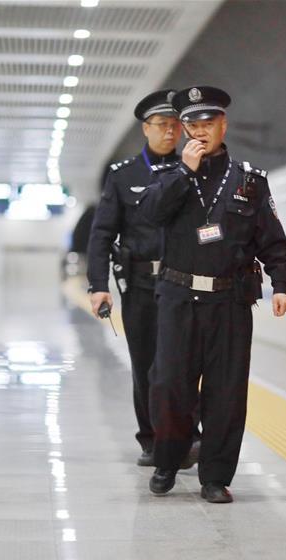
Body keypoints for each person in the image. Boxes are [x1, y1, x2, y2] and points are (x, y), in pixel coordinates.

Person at [140, 85, 286, 503]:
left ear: (223, 125)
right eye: (192, 123)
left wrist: (282, 283)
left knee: (226, 393)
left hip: (229, 302)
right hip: (177, 298)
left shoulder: (250, 181)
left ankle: (215, 476)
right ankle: (168, 463)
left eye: (208, 122)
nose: (200, 131)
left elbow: (272, 240)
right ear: (183, 128)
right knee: (170, 386)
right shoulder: (167, 178)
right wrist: (185, 173)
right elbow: (151, 215)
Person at [86, 89, 200, 468]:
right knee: (146, 365)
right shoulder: (124, 176)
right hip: (140, 287)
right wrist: (98, 285)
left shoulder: (196, 168)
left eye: (175, 126)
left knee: (183, 366)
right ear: (146, 129)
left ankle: (186, 438)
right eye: (163, 126)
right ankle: (152, 439)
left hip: (183, 285)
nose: (170, 133)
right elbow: (102, 234)